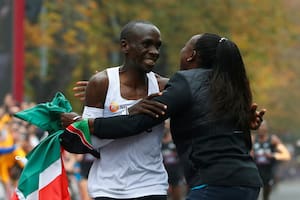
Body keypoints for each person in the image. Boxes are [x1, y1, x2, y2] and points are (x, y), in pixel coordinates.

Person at [61, 33, 266, 200]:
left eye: (184, 46)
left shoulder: (186, 81)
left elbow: (139, 121)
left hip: (213, 184)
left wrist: (86, 124)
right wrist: (111, 88)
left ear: (191, 55)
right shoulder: (228, 86)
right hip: (248, 182)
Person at [69, 20, 170, 200]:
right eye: (147, 44)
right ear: (125, 46)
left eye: (157, 46)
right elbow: (89, 142)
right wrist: (128, 115)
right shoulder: (101, 83)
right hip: (107, 189)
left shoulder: (163, 87)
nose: (154, 52)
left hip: (151, 186)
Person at [252, 120, 291, 200]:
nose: (261, 128)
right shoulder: (253, 139)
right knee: (253, 194)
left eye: (263, 126)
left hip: (269, 171)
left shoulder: (273, 139)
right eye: (259, 126)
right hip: (255, 170)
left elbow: (286, 155)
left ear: (267, 128)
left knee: (266, 195)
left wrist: (272, 155)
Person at [161, 119, 186, 200]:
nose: (165, 126)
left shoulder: (175, 139)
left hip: (176, 172)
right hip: (164, 173)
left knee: (177, 196)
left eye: (166, 124)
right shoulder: (158, 141)